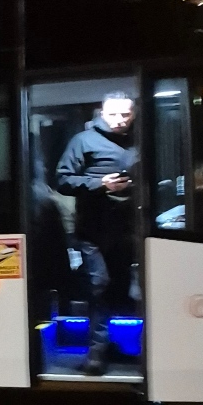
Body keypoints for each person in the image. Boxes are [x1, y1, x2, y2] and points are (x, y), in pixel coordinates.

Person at [55, 93, 139, 374]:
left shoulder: (140, 139)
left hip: (128, 229)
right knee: (99, 285)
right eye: (113, 114)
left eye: (125, 114)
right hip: (93, 230)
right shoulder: (84, 141)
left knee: (119, 290)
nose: (119, 120)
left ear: (134, 114)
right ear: (102, 113)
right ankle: (96, 352)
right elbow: (63, 180)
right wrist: (101, 183)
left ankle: (107, 346)